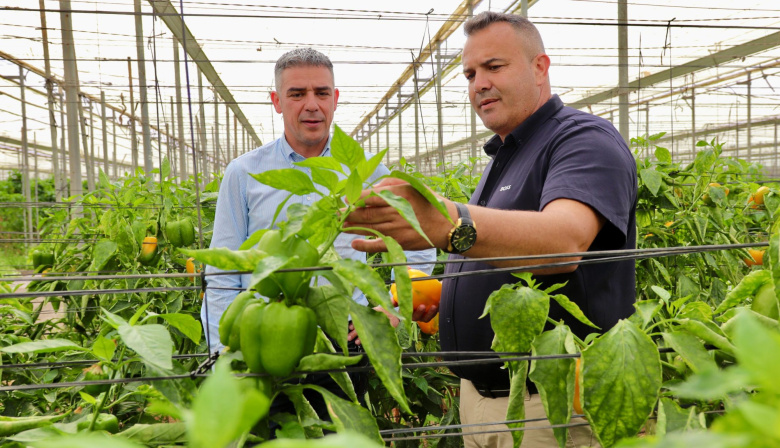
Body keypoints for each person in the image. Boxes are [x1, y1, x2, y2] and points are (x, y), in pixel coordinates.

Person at [344, 12, 637, 448]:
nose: (478, 83)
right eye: (470, 73)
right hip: (479, 404)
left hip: (551, 409)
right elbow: (506, 262)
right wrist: (438, 298)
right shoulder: (506, 154)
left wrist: (449, 225)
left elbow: (564, 243)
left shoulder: (583, 139)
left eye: (494, 67)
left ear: (540, 67)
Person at [201, 48, 435, 428]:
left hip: (343, 341)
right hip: (260, 339)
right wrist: (223, 356)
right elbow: (222, 270)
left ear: (336, 99)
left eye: (321, 93)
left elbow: (420, 241)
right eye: (297, 94)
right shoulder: (245, 173)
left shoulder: (364, 171)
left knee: (337, 433)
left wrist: (392, 308)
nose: (311, 105)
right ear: (277, 101)